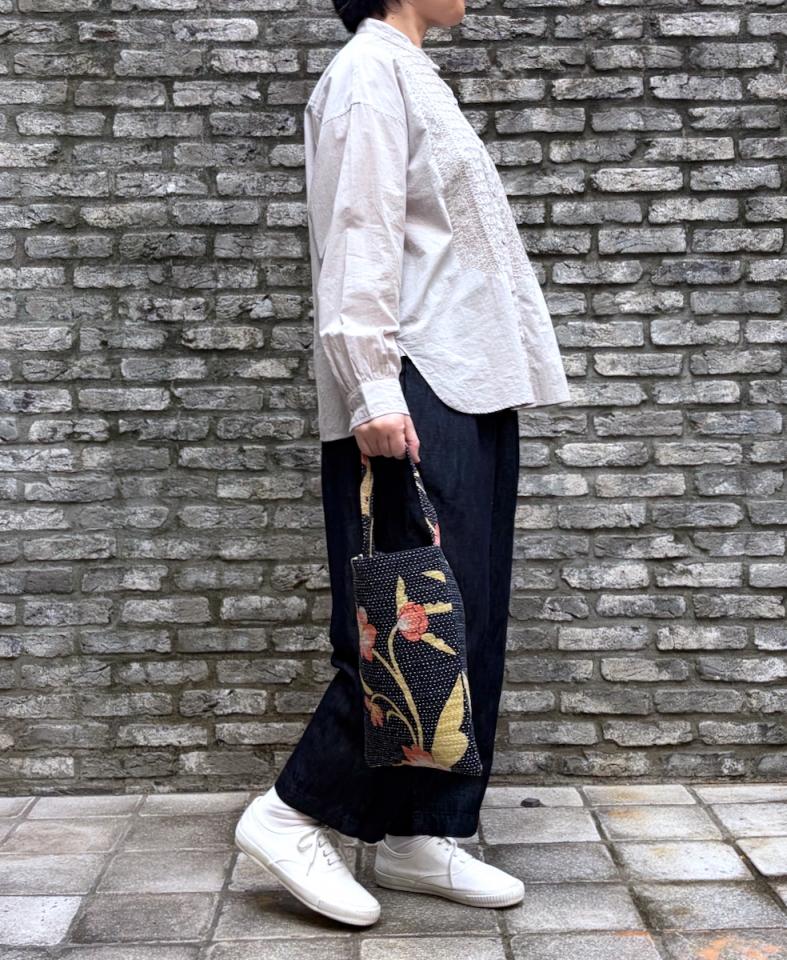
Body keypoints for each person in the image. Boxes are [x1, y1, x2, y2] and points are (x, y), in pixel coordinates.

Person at [234, 0, 571, 926]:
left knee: (472, 620)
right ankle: (289, 812)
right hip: (413, 382)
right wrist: (373, 391)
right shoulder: (365, 76)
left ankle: (422, 831)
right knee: (414, 623)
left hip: (468, 380)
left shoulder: (412, 72)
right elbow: (358, 235)